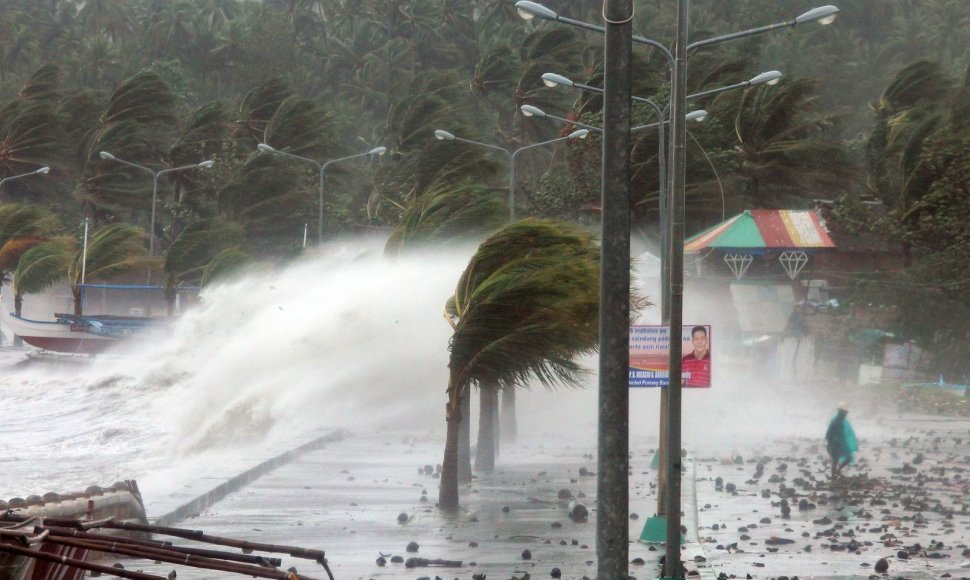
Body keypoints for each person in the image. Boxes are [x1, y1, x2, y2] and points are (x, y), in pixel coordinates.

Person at [825, 402, 858, 479]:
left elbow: (845, 433)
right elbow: (829, 434)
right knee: (835, 461)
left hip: (840, 444)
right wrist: (831, 445)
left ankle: (838, 471)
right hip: (834, 444)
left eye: (846, 412)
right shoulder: (835, 421)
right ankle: (833, 477)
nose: (846, 414)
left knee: (848, 458)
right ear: (841, 412)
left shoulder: (842, 421)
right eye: (845, 412)